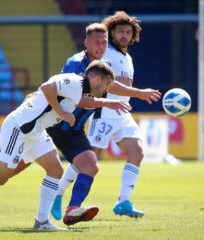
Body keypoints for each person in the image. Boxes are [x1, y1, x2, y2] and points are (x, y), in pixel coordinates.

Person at [0, 60, 117, 231]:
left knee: (55, 170)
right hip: (20, 128)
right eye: (107, 84)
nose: (107, 89)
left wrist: (105, 104)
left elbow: (74, 99)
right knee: (0, 177)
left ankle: (42, 222)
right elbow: (47, 87)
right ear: (97, 79)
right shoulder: (74, 81)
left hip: (36, 132)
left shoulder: (78, 88)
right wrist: (62, 113)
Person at [54, 11, 151, 219]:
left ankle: (123, 202)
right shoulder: (106, 55)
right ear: (111, 33)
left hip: (123, 112)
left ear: (133, 35)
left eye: (128, 32)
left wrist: (131, 93)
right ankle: (58, 193)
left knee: (137, 152)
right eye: (119, 32)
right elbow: (101, 83)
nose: (124, 35)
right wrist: (137, 92)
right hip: (105, 112)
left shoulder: (128, 57)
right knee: (88, 157)